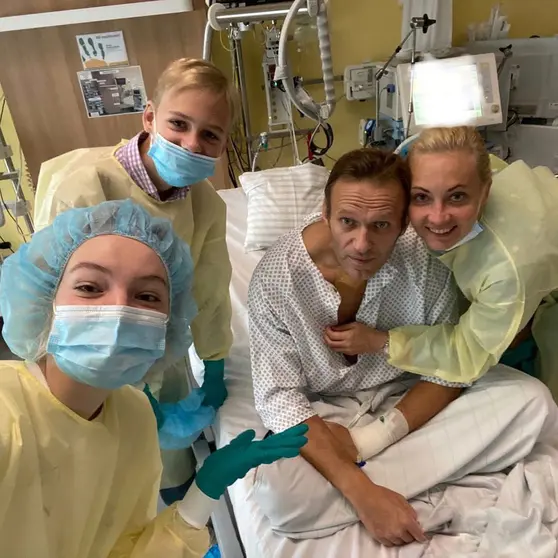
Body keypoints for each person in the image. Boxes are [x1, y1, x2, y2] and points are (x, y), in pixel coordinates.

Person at [246, 147, 558, 548]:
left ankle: (371, 484)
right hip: (326, 413)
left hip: (411, 397)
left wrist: (374, 439)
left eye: (381, 225)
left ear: (402, 224)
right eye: (347, 222)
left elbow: (448, 367)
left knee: (533, 402)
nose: (362, 243)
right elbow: (281, 399)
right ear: (325, 212)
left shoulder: (426, 258)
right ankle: (411, 483)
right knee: (278, 494)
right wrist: (362, 493)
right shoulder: (276, 279)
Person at [0, 199, 308, 557]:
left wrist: (205, 490)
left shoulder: (134, 418)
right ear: (46, 299)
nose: (119, 309)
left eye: (146, 296)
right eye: (89, 287)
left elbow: (124, 549)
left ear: (170, 323)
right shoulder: (7, 417)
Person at [33, 57, 238, 500]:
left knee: (170, 463)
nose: (191, 143)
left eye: (210, 135)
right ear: (149, 116)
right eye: (178, 124)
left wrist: (216, 361)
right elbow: (64, 301)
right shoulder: (88, 187)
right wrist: (131, 390)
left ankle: (181, 534)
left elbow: (210, 288)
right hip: (85, 355)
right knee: (105, 474)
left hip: (160, 347)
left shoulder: (205, 206)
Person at [361, 126, 558, 387]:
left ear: (484, 193)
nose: (438, 216)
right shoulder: (458, 163)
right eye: (421, 197)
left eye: (457, 197)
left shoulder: (507, 269)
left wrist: (382, 342)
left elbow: (467, 355)